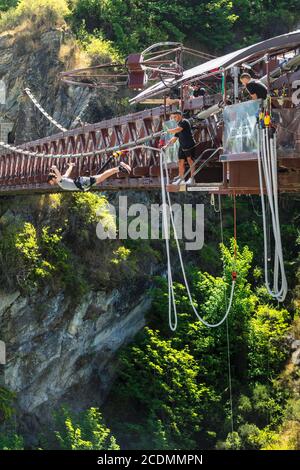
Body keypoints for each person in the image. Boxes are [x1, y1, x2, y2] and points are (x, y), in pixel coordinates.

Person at [47, 160, 131, 191]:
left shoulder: (59, 180)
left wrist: (55, 168)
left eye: (50, 182)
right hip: (82, 183)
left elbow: (58, 175)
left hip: (82, 183)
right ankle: (120, 167)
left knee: (101, 177)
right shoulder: (62, 179)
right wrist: (71, 166)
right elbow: (67, 173)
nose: (50, 183)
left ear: (52, 179)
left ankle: (119, 167)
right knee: (101, 177)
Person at [163, 110, 196, 185]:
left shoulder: (184, 122)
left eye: (175, 117)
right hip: (182, 146)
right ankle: (181, 179)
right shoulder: (178, 125)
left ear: (180, 115)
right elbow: (174, 139)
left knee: (190, 160)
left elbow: (178, 129)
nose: (174, 118)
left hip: (189, 144)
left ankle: (192, 179)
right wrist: (166, 146)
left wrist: (168, 131)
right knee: (180, 162)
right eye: (173, 117)